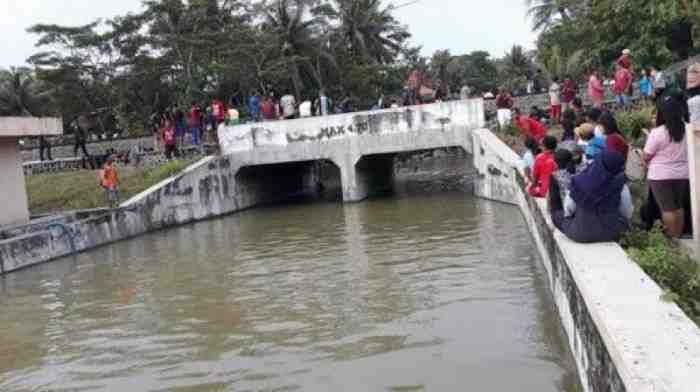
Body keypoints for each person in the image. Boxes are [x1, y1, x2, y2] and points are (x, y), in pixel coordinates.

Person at [549, 151, 633, 243]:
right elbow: (627, 212)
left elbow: (569, 209)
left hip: (581, 233)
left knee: (556, 216)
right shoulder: (621, 185)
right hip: (611, 233)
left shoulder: (580, 181)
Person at [643, 96, 690, 238]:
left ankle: (672, 239)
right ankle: (679, 236)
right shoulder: (688, 129)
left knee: (667, 209)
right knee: (678, 206)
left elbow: (646, 155)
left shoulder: (657, 133)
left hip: (660, 176)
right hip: (682, 173)